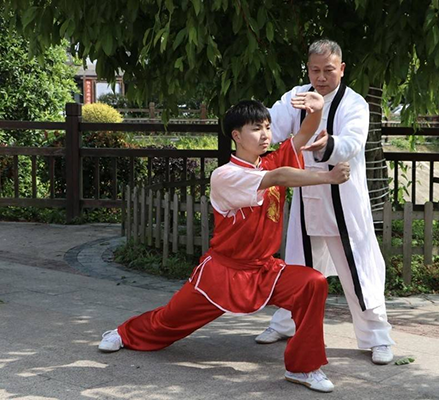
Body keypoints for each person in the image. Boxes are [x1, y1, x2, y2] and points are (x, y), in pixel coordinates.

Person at [98, 95, 352, 393]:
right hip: (222, 273)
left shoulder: (270, 161)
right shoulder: (225, 175)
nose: (265, 135)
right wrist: (328, 177)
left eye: (267, 127)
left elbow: (304, 134)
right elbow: (279, 177)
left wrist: (317, 109)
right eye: (256, 128)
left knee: (312, 283)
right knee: (169, 320)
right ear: (236, 135)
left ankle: (303, 367)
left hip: (265, 270)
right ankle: (124, 333)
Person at [255, 39, 395, 365]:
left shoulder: (354, 103)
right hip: (307, 198)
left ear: (342, 69)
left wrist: (328, 145)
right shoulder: (297, 96)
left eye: (328, 70)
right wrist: (254, 135)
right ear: (307, 69)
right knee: (298, 265)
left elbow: (352, 143)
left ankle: (378, 337)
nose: (321, 77)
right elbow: (272, 127)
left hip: (344, 200)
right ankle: (285, 322)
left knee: (359, 269)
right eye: (315, 70)